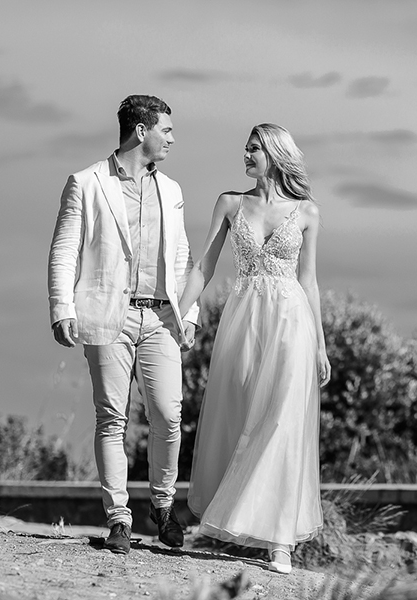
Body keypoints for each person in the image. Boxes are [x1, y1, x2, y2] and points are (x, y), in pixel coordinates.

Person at [47, 95, 199, 555]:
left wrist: (188, 314)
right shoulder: (86, 182)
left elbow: (181, 256)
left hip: (160, 317)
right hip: (107, 314)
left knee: (168, 416)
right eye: (166, 130)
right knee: (111, 417)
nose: (172, 138)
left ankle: (164, 506)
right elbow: (64, 249)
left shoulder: (170, 189)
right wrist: (62, 308)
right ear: (141, 131)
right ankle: (118, 518)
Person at [180, 123, 330, 574]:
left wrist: (321, 345)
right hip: (243, 319)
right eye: (245, 149)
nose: (246, 156)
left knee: (283, 422)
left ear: (276, 154)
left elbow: (309, 282)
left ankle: (280, 541)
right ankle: (234, 523)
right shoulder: (230, 203)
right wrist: (177, 315)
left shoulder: (307, 212)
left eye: (254, 150)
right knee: (242, 416)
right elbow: (202, 267)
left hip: (291, 322)